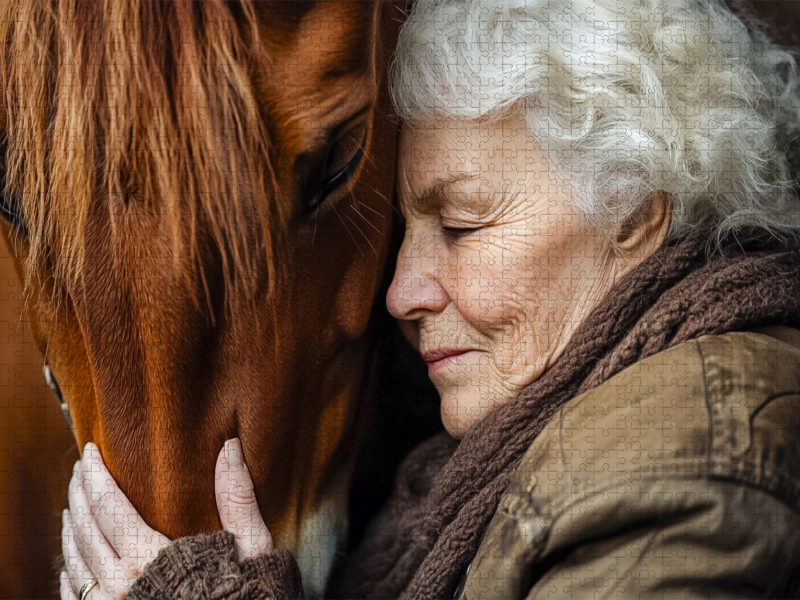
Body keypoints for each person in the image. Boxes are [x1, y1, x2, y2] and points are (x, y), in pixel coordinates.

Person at [62, 0, 800, 598]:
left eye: (459, 224)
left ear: (635, 211)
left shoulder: (686, 464)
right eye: (407, 231)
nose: (398, 295)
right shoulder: (517, 434)